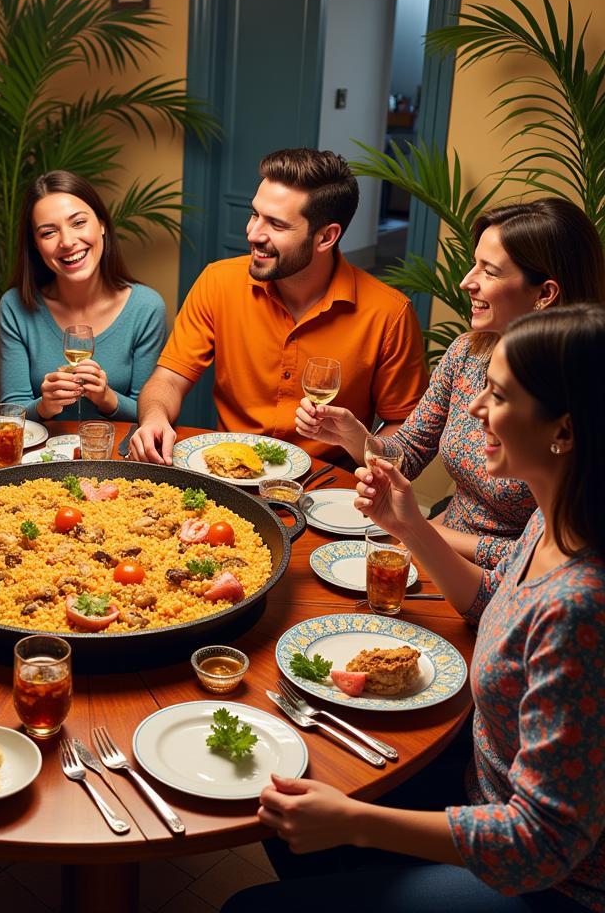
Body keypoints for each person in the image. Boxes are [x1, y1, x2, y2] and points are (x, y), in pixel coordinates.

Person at [223, 304, 605, 913]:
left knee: (250, 908)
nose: (475, 407)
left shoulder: (581, 608)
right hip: (479, 783)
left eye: (498, 396)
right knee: (289, 810)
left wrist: (357, 822)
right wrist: (410, 527)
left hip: (555, 885)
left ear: (563, 429)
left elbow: (543, 842)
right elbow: (486, 598)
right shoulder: (550, 519)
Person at [295, 198, 605, 565]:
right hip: (433, 549)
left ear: (544, 294)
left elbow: (553, 558)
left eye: (489, 271)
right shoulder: (468, 353)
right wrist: (355, 436)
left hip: (498, 576)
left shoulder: (581, 394)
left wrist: (420, 531)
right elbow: (408, 454)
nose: (466, 282)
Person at [129, 148, 427, 464]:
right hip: (229, 478)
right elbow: (168, 379)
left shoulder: (388, 314)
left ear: (326, 237)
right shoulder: (217, 281)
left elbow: (406, 429)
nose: (253, 233)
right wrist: (154, 417)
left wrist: (363, 443)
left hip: (326, 488)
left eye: (277, 224)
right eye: (255, 214)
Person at [0, 170, 167, 421]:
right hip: (43, 458)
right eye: (48, 232)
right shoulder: (15, 306)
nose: (67, 241)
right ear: (35, 244)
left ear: (101, 225)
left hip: (116, 458)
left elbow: (151, 415)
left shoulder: (146, 308)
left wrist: (107, 398)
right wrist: (44, 406)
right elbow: (10, 415)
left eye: (78, 223)